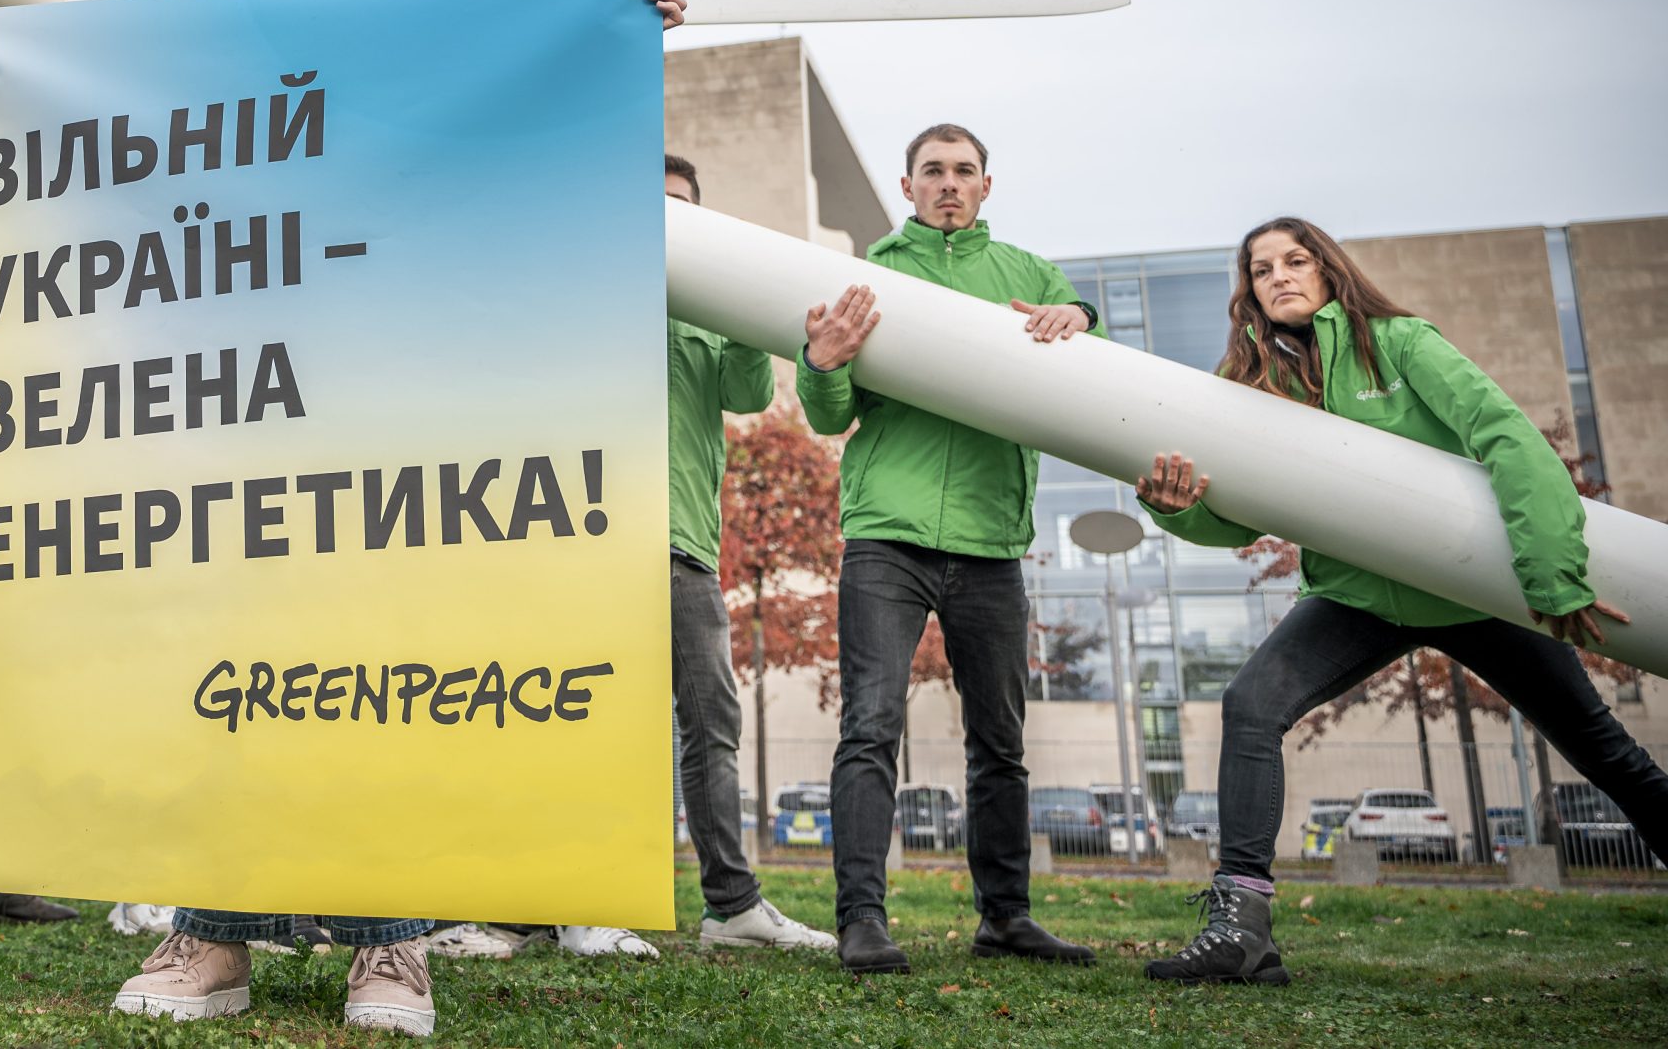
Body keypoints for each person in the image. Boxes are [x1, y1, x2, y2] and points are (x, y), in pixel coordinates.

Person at [0, 0, 683, 1037]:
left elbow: (514, 121)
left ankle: (392, 950)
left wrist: (620, 19)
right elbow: (121, 133)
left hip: (385, 372)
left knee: (377, 656)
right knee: (223, 660)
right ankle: (208, 936)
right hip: (239, 381)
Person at [1140, 217, 1668, 986]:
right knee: (1251, 703)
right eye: (1261, 269)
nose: (1280, 275)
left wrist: (1551, 577)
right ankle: (1240, 930)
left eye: (1296, 260)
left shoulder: (1399, 341)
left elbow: (1507, 437)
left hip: (1476, 590)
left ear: (1328, 270)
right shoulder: (1252, 379)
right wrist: (1177, 507)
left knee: (1605, 750)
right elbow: (1246, 514)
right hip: (1357, 593)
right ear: (1247, 289)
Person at [431, 157, 836, 965]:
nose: (667, 221)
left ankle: (733, 903)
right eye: (655, 208)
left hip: (683, 545)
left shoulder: (708, 311)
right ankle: (547, 905)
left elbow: (750, 391)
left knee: (710, 723)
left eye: (683, 209)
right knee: (571, 724)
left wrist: (751, 309)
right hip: (584, 543)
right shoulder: (585, 291)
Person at [795, 124, 1100, 975]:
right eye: (933, 171)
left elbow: (1090, 378)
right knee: (870, 724)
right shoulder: (869, 274)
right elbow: (826, 413)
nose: (949, 184)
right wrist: (821, 362)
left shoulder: (1031, 276)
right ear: (908, 184)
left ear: (986, 187)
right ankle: (861, 918)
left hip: (991, 539)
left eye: (964, 171)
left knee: (999, 738)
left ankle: (1006, 916)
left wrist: (1080, 315)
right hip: (886, 536)